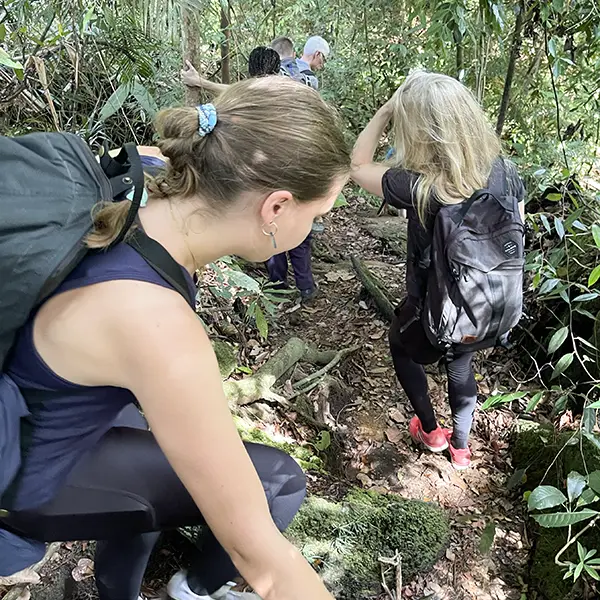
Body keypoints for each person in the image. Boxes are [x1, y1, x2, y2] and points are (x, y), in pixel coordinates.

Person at [0, 77, 350, 600]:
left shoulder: (149, 170)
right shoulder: (158, 326)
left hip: (31, 394)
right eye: (318, 217)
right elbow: (267, 561)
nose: (315, 229)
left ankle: (118, 589)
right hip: (19, 480)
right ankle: (185, 591)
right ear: (275, 208)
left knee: (158, 440)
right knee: (277, 481)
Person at [350, 71, 525, 470]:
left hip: (433, 308)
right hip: (489, 310)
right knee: (461, 366)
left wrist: (386, 111)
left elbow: (357, 166)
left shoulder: (423, 186)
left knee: (400, 343)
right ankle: (461, 450)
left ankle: (430, 430)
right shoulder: (507, 172)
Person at [181, 46, 280, 95]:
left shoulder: (251, 94)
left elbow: (238, 91)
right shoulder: (287, 90)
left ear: (250, 70)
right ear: (277, 70)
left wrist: (199, 82)